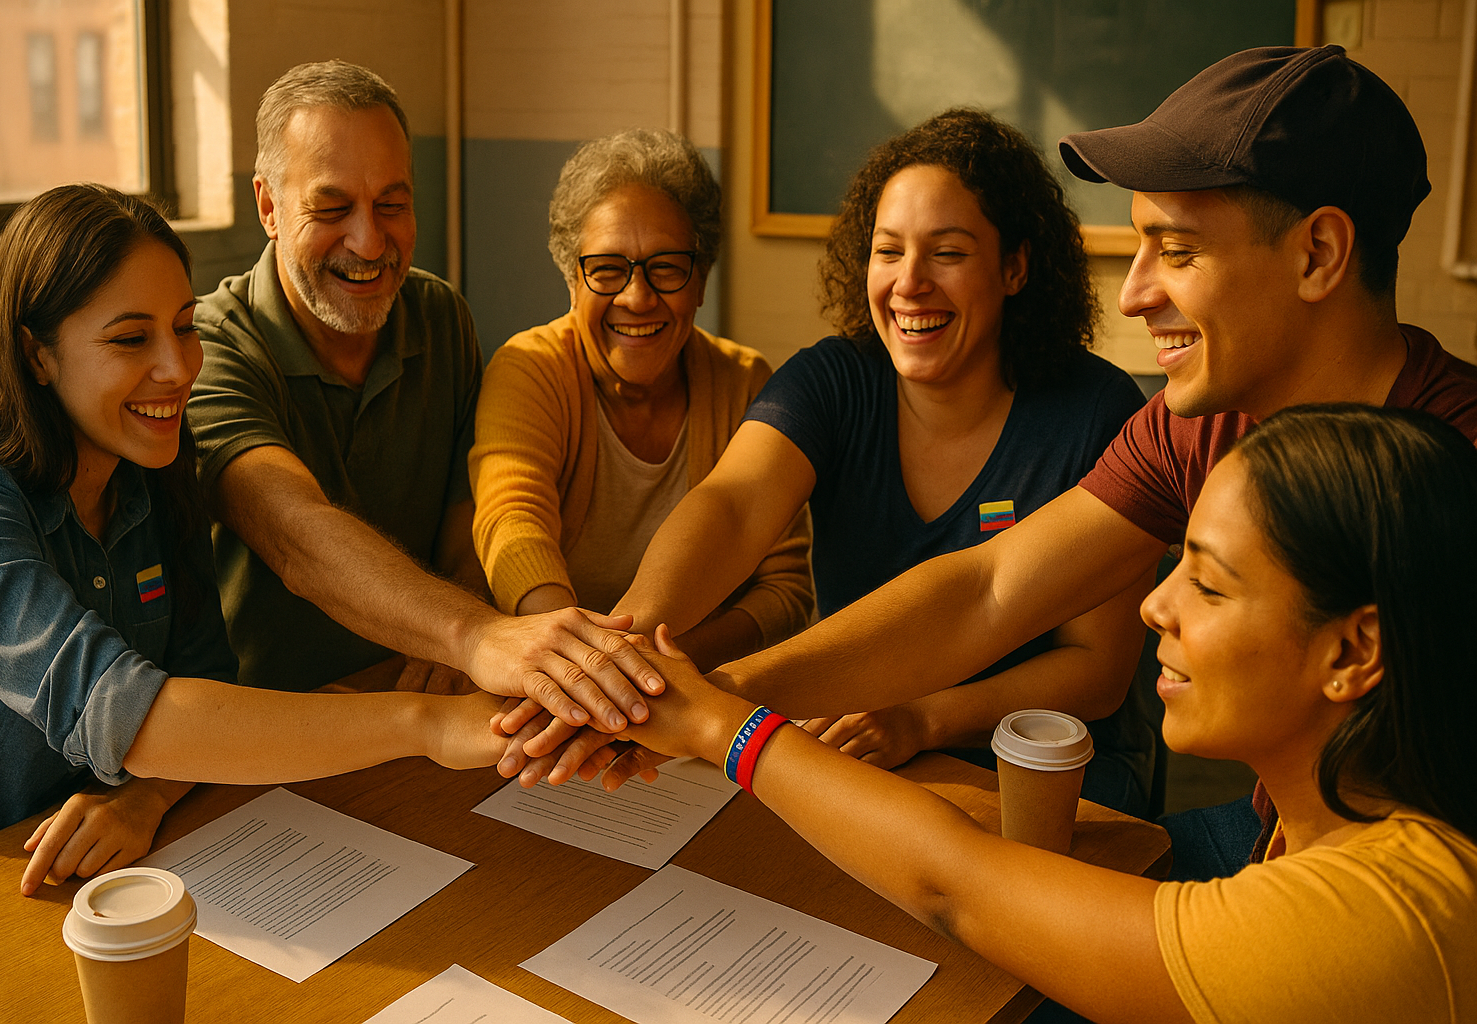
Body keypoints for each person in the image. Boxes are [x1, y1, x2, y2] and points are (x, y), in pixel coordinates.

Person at [529, 45, 1477, 869]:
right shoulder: (1195, 422)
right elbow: (987, 589)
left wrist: (717, 712)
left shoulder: (1451, 472)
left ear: (1318, 254)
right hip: (1278, 833)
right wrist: (688, 691)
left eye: (1176, 251)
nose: (1137, 294)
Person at [612, 404, 1477, 1023]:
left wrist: (720, 728)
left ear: (1354, 653)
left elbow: (958, 884)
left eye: (1209, 586)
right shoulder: (1336, 827)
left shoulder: (1371, 920)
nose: (1154, 607)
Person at [0, 184, 509, 893]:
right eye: (130, 339)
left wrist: (143, 798)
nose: (178, 369)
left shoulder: (158, 470)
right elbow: (123, 710)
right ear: (37, 354)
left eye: (184, 327)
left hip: (101, 875)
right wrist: (427, 724)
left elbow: (202, 683)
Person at [609, 109, 1149, 811]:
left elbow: (1097, 669)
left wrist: (919, 716)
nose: (910, 283)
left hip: (1042, 772)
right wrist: (624, 645)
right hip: (860, 750)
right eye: (888, 251)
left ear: (1014, 267)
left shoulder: (1096, 412)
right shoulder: (833, 380)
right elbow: (735, 504)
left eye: (947, 253)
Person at [187, 61, 661, 733]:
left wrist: (463, 610)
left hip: (421, 708)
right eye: (331, 208)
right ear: (268, 205)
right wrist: (473, 633)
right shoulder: (209, 347)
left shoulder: (439, 314)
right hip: (269, 731)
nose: (369, 241)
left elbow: (466, 505)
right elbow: (296, 534)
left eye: (392, 204)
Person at [469, 128, 813, 678]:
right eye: (606, 269)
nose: (637, 297)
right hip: (555, 683)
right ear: (571, 279)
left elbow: (785, 589)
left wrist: (657, 669)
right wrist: (583, 667)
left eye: (667, 267)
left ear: (700, 280)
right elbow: (513, 523)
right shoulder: (531, 368)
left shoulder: (747, 384)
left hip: (689, 687)